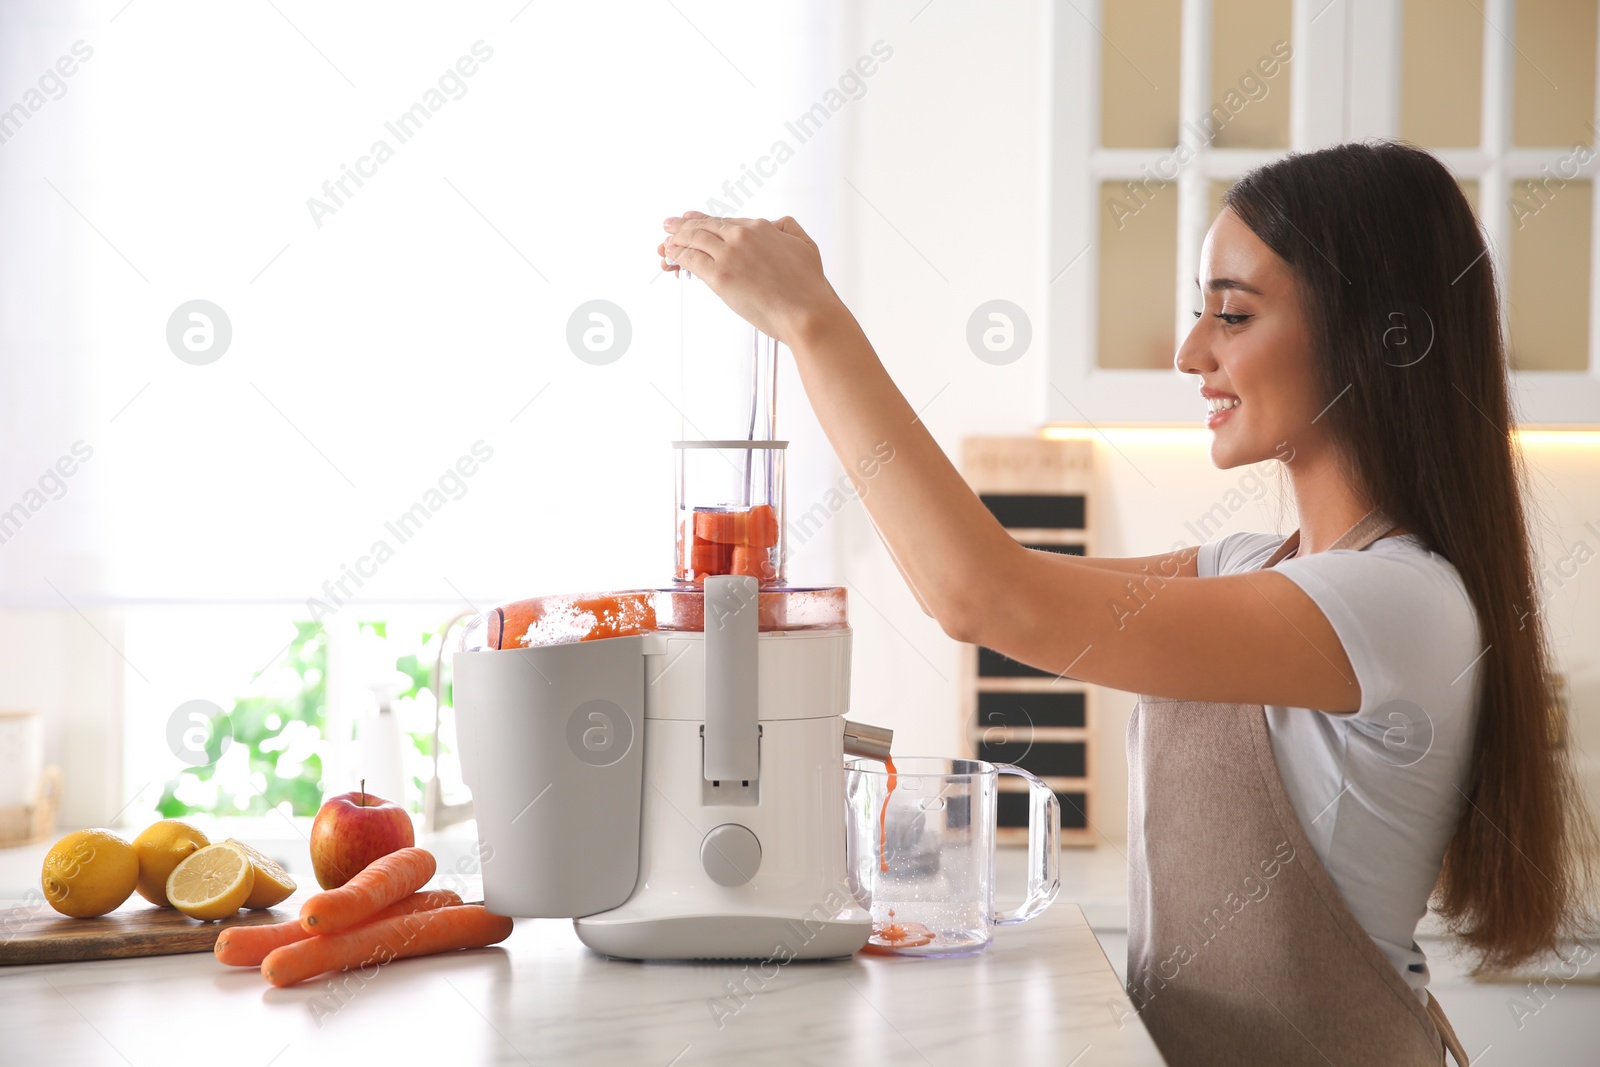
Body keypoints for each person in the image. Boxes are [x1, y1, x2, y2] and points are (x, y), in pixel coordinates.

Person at [659, 140, 1595, 1066]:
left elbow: (984, 595)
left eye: (1231, 315)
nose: (1191, 352)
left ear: (1372, 335)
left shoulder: (1397, 603)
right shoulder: (1254, 566)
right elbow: (983, 576)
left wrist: (814, 321)